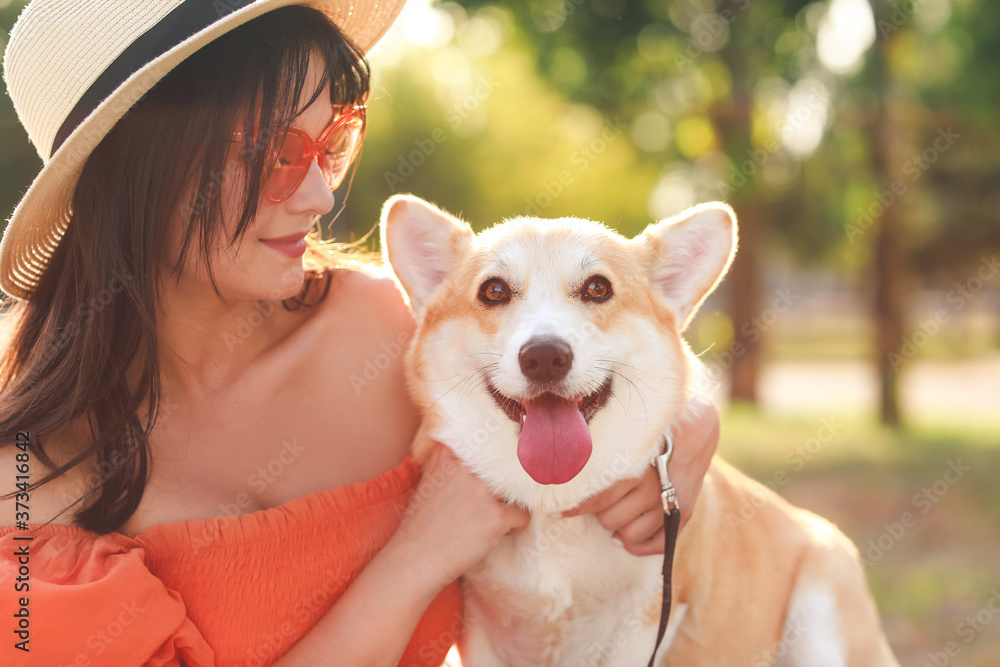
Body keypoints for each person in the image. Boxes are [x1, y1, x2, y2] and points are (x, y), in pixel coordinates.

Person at [0, 1, 720, 665]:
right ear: (137, 169)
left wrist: (687, 428)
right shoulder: (22, 494)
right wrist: (416, 555)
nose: (320, 195)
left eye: (333, 142)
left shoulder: (399, 333)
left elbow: (609, 356)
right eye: (273, 154)